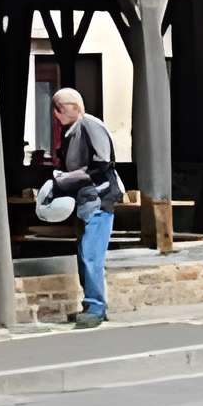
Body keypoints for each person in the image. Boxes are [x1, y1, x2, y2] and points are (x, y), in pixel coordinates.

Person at [44, 86, 124, 328]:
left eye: (58, 109)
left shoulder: (90, 125)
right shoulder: (72, 132)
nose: (56, 115)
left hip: (99, 199)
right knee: (84, 255)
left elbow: (101, 163)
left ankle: (96, 306)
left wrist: (64, 180)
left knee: (91, 254)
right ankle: (91, 305)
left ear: (71, 108)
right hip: (84, 201)